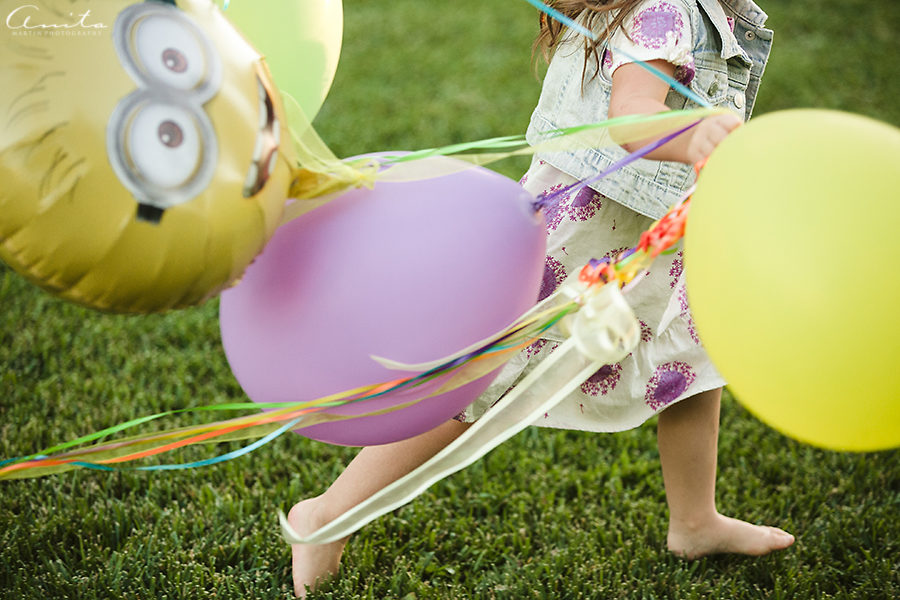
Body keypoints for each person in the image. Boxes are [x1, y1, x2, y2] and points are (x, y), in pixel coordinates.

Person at [288, 0, 793, 596]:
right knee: (481, 380)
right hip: (585, 238)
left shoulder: (716, 14)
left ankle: (694, 521)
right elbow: (630, 115)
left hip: (659, 237)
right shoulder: (664, 11)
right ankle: (326, 516)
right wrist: (692, 135)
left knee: (689, 368)